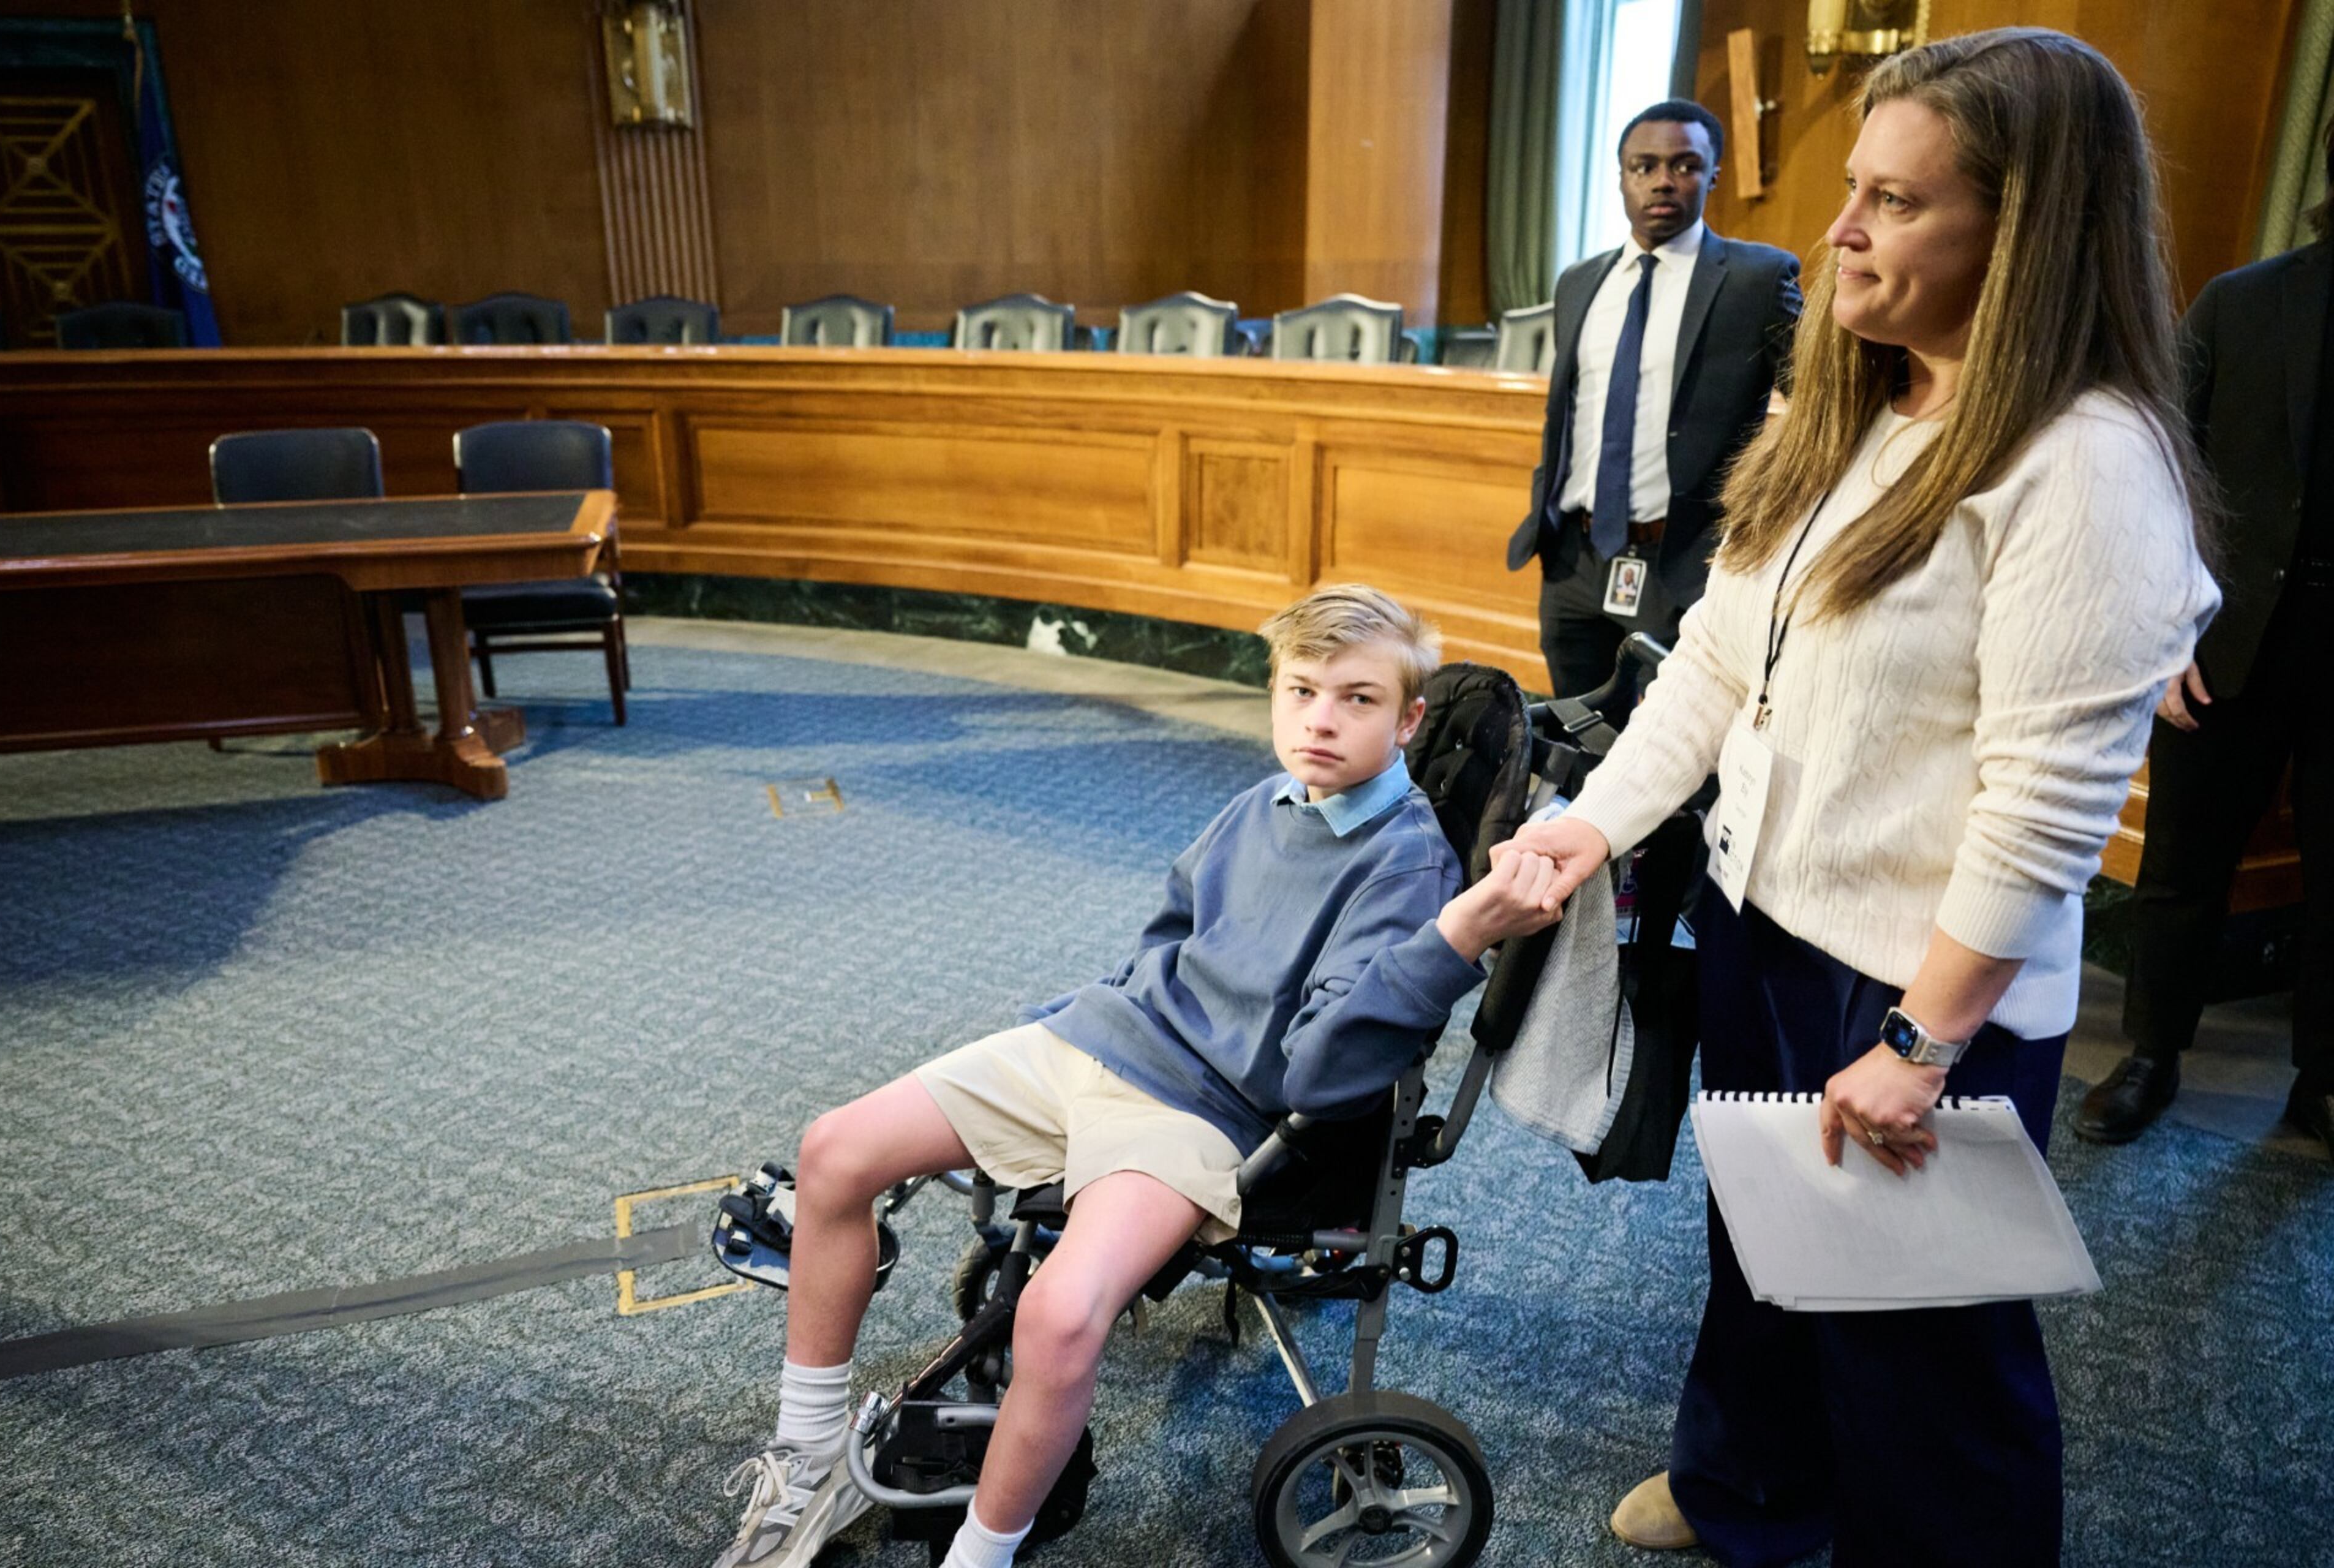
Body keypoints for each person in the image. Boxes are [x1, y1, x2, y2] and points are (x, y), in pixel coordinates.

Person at [1504, 29, 2219, 1566]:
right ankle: (1746, 1484)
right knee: (1762, 1251)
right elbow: (1709, 659)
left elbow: (2045, 804)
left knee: (1921, 1358)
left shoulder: (2084, 465)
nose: (1839, 230)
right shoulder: (1854, 403)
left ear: (2017, 234)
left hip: (1916, 976)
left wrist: (1921, 1039)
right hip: (1766, 918)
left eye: (1894, 203)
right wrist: (1590, 823)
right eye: (1851, 191)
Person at [709, 584, 1565, 1568]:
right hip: (1104, 1036)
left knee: (1062, 1315)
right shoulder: (1267, 798)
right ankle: (809, 1458)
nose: (1320, 721)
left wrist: (1456, 935)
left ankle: (980, 1556)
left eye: (1357, 700)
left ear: (1409, 720)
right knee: (833, 1152)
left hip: (1202, 1108)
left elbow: (1324, 1072)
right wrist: (1120, 1003)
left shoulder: (1405, 862)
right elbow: (1172, 919)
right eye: (1301, 692)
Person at [2072, 118, 2334, 1157]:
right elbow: (2156, 473)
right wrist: (2166, 628)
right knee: (2183, 864)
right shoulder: (2245, 300)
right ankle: (2151, 1056)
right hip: (2224, 636)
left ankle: (2323, 1078)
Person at [1505, 99, 1802, 698]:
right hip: (1574, 558)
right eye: (1644, 166)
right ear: (1620, 176)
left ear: (1713, 173)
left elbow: (1822, 398)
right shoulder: (1580, 282)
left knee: (1673, 743)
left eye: (1685, 165)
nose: (1663, 180)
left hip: (1683, 562)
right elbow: (1570, 414)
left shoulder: (1755, 279)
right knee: (1576, 727)